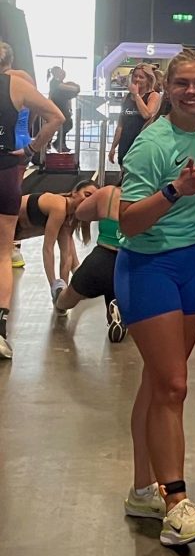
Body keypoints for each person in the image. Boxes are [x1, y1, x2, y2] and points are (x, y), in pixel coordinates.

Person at [116, 48, 195, 546]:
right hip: (148, 266)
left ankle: (142, 491)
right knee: (174, 385)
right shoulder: (152, 143)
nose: (192, 91)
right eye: (183, 84)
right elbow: (128, 220)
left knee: (159, 383)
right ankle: (176, 503)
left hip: (191, 266)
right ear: (167, 89)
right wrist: (174, 190)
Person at [0, 59, 64, 358]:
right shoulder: (17, 82)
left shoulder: (18, 80)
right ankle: (0, 332)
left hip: (11, 163)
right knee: (3, 253)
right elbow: (56, 117)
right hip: (6, 168)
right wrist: (31, 149)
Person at [51, 184, 127, 342]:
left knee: (64, 301)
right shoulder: (153, 197)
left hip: (102, 260)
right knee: (118, 292)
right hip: (131, 262)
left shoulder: (108, 192)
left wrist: (102, 211)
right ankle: (120, 312)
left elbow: (80, 213)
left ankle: (58, 293)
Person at [15, 182, 96, 306]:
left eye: (92, 199)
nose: (87, 201)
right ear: (74, 192)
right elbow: (48, 248)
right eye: (87, 194)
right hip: (8, 221)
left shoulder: (69, 217)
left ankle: (72, 279)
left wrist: (63, 291)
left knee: (67, 241)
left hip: (16, 230)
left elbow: (67, 254)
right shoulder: (59, 206)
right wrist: (53, 284)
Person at [1, 43, 34, 269]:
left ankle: (11, 246)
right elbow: (35, 110)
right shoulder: (24, 78)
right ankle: (12, 245)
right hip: (22, 137)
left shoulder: (11, 79)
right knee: (14, 193)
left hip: (11, 141)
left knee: (10, 196)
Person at [109, 64, 160, 167]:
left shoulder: (153, 96)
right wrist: (113, 147)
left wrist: (136, 95)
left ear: (148, 80)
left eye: (141, 77)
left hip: (142, 144)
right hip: (125, 143)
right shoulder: (127, 97)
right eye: (135, 76)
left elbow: (147, 115)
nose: (137, 79)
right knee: (124, 171)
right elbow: (120, 125)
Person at [47, 66, 80, 152]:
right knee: (57, 126)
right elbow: (65, 88)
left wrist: (70, 108)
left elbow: (68, 97)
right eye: (61, 73)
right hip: (57, 107)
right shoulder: (54, 82)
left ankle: (59, 143)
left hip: (63, 108)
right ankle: (53, 143)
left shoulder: (61, 83)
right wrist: (77, 88)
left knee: (67, 125)